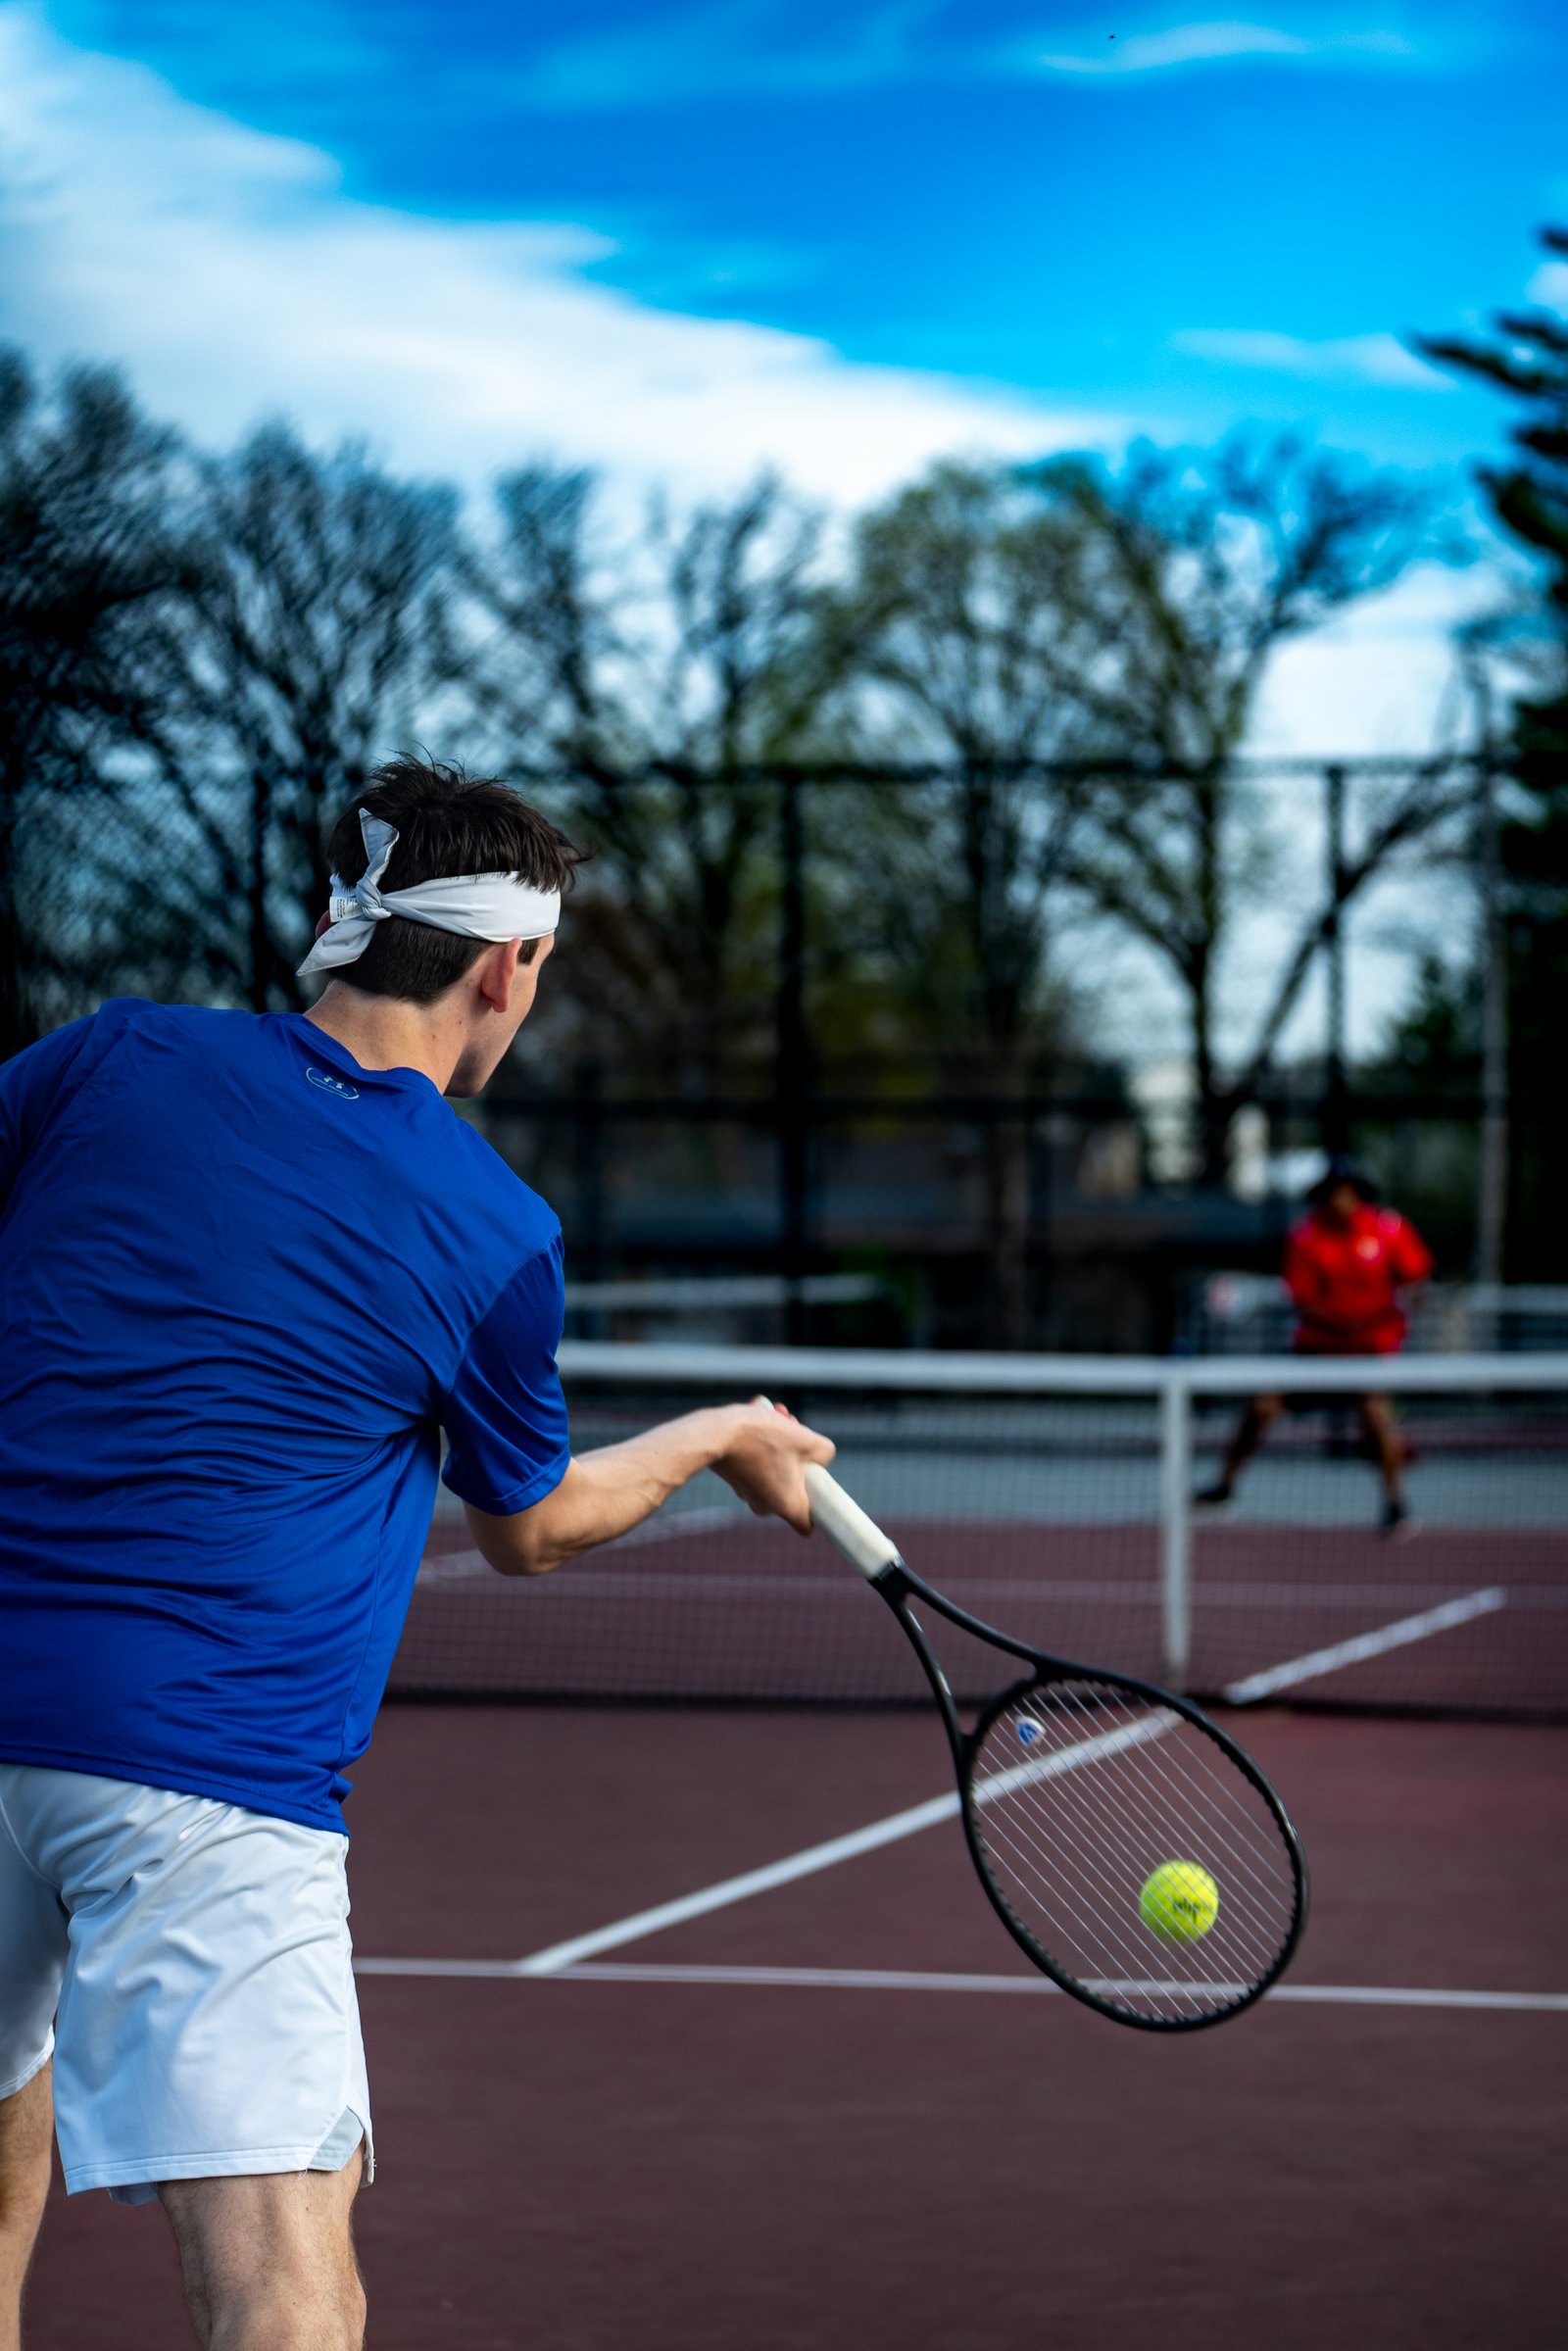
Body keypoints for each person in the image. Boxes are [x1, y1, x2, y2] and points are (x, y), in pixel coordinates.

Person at [0, 755, 834, 2351]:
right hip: (210, 1775)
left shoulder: (107, 1057)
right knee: (285, 2292)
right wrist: (720, 1435)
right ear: (504, 963)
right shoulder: (489, 1223)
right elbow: (526, 1526)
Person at [1195, 1156, 1432, 1537]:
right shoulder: (1306, 1236)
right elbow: (1302, 1297)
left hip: (1373, 1353)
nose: (1339, 1200)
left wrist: (1407, 1305)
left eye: (1346, 1192)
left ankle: (1396, 1505)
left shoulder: (1388, 1228)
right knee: (1262, 1406)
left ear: (1359, 1194)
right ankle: (1223, 1488)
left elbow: (1416, 1277)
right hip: (1318, 1353)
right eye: (1331, 1193)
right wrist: (1345, 1321)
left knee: (1376, 1415)